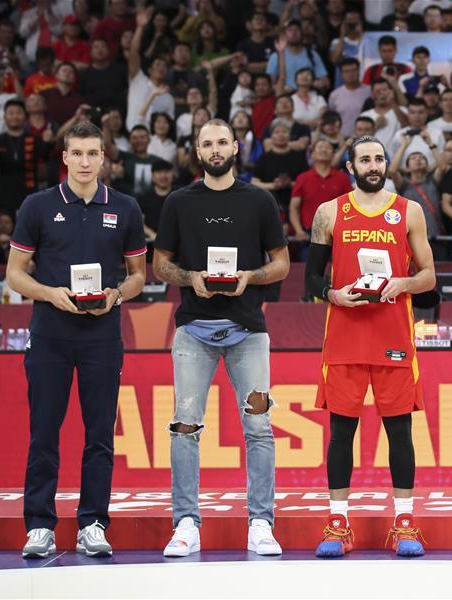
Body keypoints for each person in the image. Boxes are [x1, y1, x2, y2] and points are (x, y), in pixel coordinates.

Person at [7, 121, 146, 558]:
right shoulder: (38, 205)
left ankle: (93, 523)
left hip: (102, 336)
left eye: (93, 153)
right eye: (77, 153)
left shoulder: (124, 208)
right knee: (44, 432)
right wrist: (51, 294)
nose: (85, 161)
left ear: (104, 157)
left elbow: (140, 276)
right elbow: (14, 274)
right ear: (64, 157)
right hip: (50, 334)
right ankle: (40, 526)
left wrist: (116, 294)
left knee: (100, 434)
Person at [153, 119, 291, 557]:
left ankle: (261, 523)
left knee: (259, 427)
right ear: (198, 152)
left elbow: (282, 264)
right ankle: (187, 523)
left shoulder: (259, 200)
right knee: (184, 428)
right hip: (194, 329)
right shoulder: (179, 202)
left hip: (248, 331)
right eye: (207, 144)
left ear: (236, 147)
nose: (215, 150)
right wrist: (189, 277)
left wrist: (251, 276)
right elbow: (161, 265)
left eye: (222, 142)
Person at [305, 134, 436, 557]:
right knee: (341, 433)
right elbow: (311, 280)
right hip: (344, 336)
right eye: (365, 159)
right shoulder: (329, 213)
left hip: (394, 336)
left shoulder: (408, 211)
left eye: (379, 158)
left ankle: (404, 522)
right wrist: (332, 295)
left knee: (400, 431)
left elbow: (429, 277)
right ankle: (338, 522)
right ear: (351, 166)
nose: (374, 165)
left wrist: (404, 283)